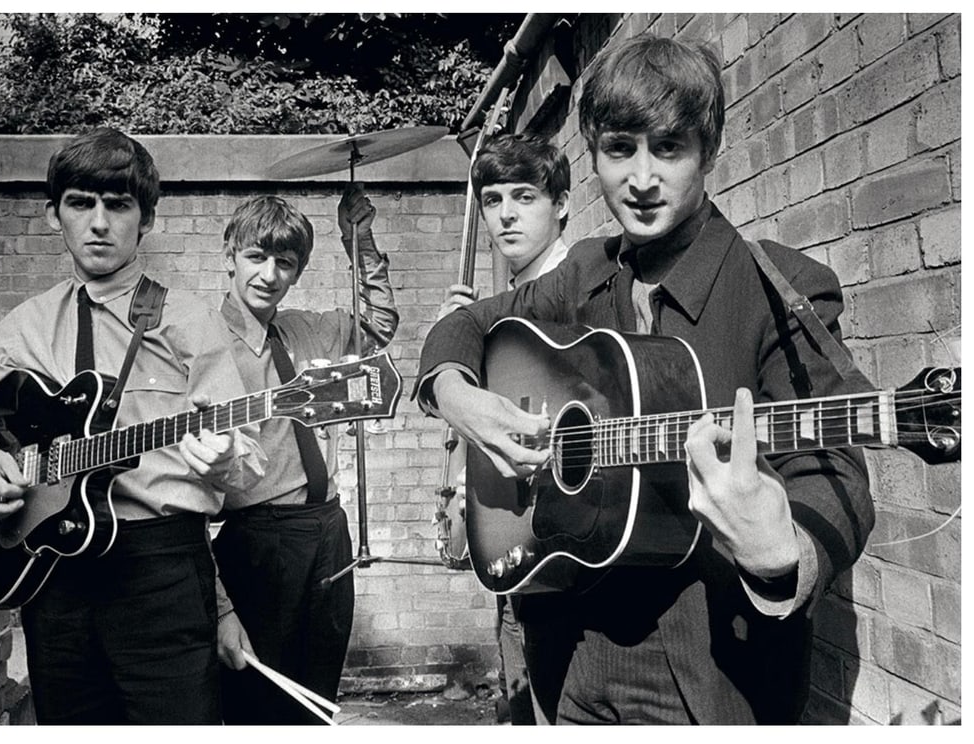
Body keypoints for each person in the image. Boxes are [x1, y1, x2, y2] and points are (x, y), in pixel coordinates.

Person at [414, 35, 875, 724]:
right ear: (594, 153)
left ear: (709, 152)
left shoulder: (781, 286)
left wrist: (785, 550)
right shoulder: (583, 277)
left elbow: (834, 464)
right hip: (568, 655)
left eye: (669, 148)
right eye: (621, 149)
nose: (643, 178)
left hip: (712, 669)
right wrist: (458, 397)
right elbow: (470, 327)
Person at [0, 128, 267, 724]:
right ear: (55, 215)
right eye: (81, 203)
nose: (99, 223)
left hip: (162, 573)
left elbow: (246, 452)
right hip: (54, 574)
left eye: (118, 204)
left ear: (145, 218)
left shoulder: (188, 321)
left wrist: (225, 455)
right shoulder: (25, 325)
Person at [212, 188, 398, 724]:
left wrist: (358, 239)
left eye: (285, 263)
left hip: (327, 531)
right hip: (257, 538)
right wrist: (221, 607)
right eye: (256, 257)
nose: (269, 274)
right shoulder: (199, 343)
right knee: (258, 702)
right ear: (229, 255)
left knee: (317, 698)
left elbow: (379, 326)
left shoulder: (309, 329)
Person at [436, 132, 571, 725]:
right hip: (516, 545)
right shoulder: (500, 308)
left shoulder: (581, 292)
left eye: (525, 196)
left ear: (561, 203)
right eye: (492, 200)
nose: (506, 215)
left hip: (566, 558)